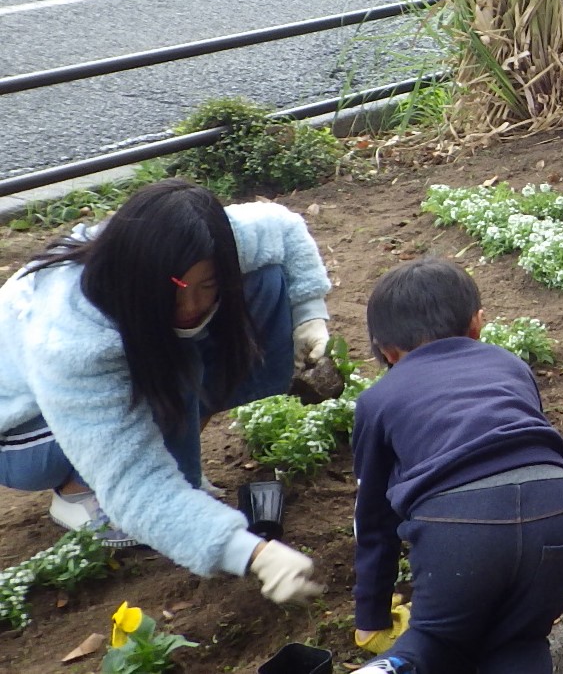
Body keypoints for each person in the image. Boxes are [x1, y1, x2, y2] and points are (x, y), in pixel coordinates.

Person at [0, 179, 327, 603]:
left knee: (263, 282)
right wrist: (252, 553)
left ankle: (175, 466)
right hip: (20, 432)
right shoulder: (73, 341)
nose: (192, 305)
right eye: (176, 290)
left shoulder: (198, 245)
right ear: (139, 276)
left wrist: (308, 317)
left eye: (207, 286)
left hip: (96, 365)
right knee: (159, 376)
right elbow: (135, 483)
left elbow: (283, 228)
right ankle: (79, 492)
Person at [351, 258, 563, 674]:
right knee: (520, 638)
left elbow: (374, 519)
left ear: (386, 351)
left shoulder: (379, 400)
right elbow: (534, 447)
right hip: (560, 511)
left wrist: (371, 618)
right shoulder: (510, 365)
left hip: (460, 528)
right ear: (477, 325)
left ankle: (391, 668)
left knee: (439, 640)